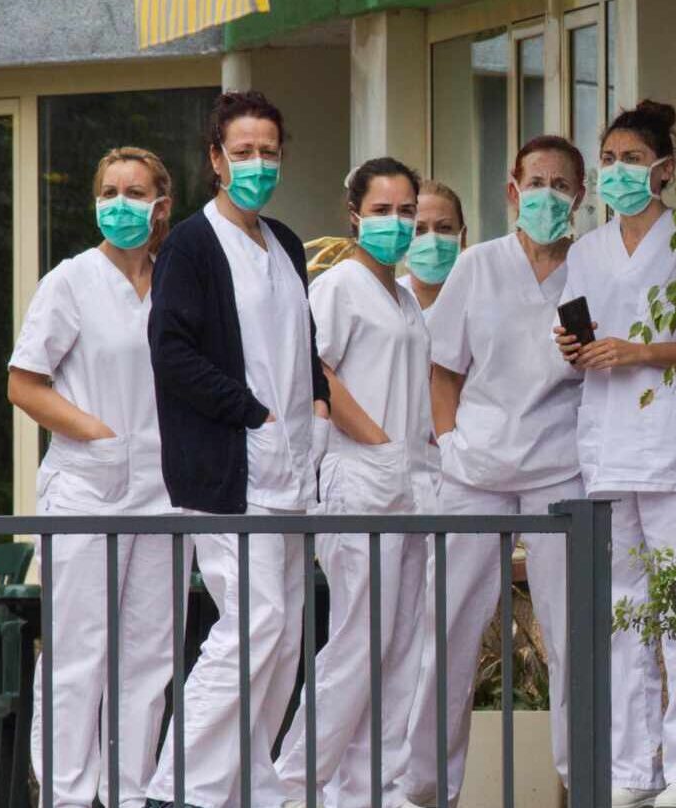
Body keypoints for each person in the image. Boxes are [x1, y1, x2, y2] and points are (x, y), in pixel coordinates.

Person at [143, 90, 330, 808]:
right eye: (242, 152)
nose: (257, 164)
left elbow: (300, 339)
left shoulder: (283, 242)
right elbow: (172, 353)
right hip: (227, 471)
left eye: (269, 151)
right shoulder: (192, 243)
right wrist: (249, 411)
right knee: (257, 624)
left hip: (288, 468)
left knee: (283, 641)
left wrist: (313, 396)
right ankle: (176, 786)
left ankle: (251, 783)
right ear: (216, 159)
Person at [554, 100, 676, 808]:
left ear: (665, 170)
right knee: (625, 610)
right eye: (607, 160)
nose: (616, 172)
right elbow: (576, 345)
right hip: (609, 446)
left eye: (631, 160)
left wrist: (641, 352)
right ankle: (633, 769)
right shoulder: (587, 252)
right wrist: (575, 347)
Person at [397, 136, 588, 808]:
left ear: (580, 198)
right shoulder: (477, 267)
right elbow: (443, 370)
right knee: (447, 626)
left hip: (561, 469)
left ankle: (579, 778)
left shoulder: (591, 269)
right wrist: (449, 445)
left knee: (572, 631)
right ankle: (425, 786)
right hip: (474, 467)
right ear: (512, 190)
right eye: (535, 182)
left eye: (561, 185)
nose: (546, 196)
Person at [11, 146, 178, 808]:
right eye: (109, 190)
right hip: (86, 482)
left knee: (149, 658)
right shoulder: (70, 281)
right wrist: (100, 434)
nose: (119, 203)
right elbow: (24, 386)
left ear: (161, 205)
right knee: (79, 654)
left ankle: (130, 795)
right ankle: (68, 797)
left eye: (135, 192)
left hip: (163, 490)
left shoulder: (175, 282)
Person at [275, 157, 434, 808]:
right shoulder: (337, 287)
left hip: (405, 484)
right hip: (359, 477)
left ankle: (371, 790)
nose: (394, 224)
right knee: (357, 643)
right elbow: (316, 372)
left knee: (397, 646)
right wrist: (378, 441)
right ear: (354, 215)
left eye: (405, 213)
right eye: (381, 211)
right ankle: (292, 786)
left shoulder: (402, 296)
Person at [401, 179, 468, 312]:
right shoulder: (382, 301)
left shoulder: (483, 301)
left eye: (444, 228)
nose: (432, 241)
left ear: (463, 236)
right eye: (419, 229)